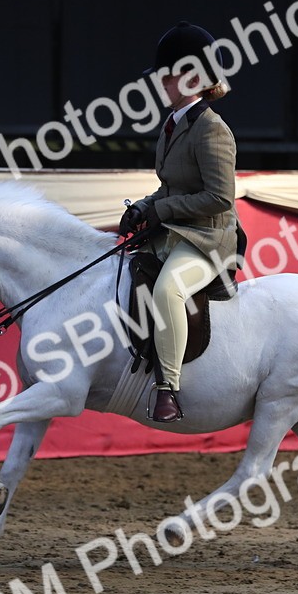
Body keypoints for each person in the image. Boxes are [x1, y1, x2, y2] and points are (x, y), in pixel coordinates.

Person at [119, 21, 244, 423]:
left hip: (208, 237)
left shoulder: (212, 129)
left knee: (168, 291)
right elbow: (169, 188)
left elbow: (219, 197)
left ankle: (167, 388)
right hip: (173, 232)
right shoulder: (172, 124)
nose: (160, 82)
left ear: (192, 76)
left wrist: (163, 211)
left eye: (166, 75)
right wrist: (142, 207)